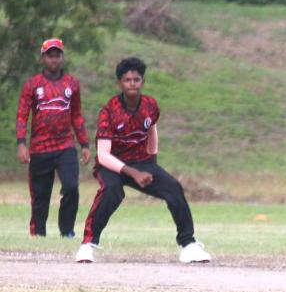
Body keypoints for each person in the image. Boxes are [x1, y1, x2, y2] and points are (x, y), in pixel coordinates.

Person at [75, 57, 211, 264]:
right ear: (119, 83)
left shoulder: (150, 105)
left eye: (136, 79)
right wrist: (133, 173)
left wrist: (152, 160)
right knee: (112, 192)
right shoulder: (109, 111)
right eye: (127, 80)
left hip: (141, 161)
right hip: (111, 165)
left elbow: (151, 129)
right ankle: (87, 244)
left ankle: (188, 245)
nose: (132, 83)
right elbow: (103, 155)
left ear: (142, 82)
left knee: (173, 188)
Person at [16, 38, 90, 238]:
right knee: (40, 195)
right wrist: (21, 143)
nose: (54, 59)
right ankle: (38, 233)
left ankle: (66, 230)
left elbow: (76, 115)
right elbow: (22, 115)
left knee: (71, 187)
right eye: (50, 55)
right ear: (43, 58)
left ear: (62, 58)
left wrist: (84, 144)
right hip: (39, 148)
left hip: (65, 145)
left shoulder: (72, 84)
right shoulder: (33, 85)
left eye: (58, 55)